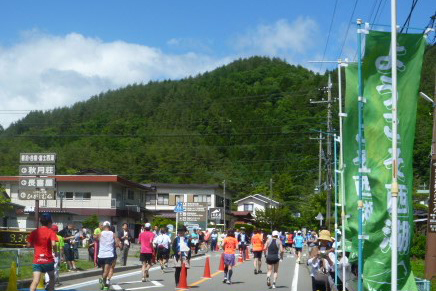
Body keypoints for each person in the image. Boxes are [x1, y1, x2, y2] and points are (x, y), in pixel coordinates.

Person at [27, 213, 58, 291]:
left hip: (37, 260)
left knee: (35, 280)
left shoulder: (34, 232)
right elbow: (54, 244)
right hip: (48, 260)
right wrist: (55, 252)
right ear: (49, 222)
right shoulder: (51, 232)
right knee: (52, 278)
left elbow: (28, 244)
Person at [97, 221, 120, 290]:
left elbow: (96, 239)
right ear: (109, 227)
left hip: (100, 255)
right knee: (106, 271)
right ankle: (102, 280)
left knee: (104, 270)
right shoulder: (113, 234)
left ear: (103, 226)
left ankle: (105, 286)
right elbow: (117, 243)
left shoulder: (100, 233)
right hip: (109, 254)